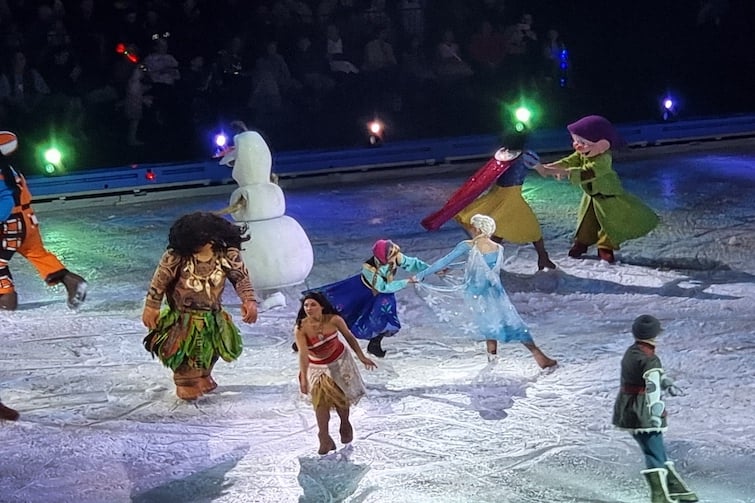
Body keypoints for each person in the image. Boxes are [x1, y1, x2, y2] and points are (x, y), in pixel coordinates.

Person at [412, 214, 557, 369]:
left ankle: (493, 360)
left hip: (477, 294)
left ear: (477, 228)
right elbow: (480, 265)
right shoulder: (498, 248)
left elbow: (444, 261)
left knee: (489, 324)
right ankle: (536, 355)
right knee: (511, 323)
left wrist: (420, 275)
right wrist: (452, 269)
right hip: (496, 294)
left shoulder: (468, 245)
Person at [142, 212, 258, 401]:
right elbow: (159, 281)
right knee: (187, 354)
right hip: (183, 318)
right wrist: (152, 306)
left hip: (212, 316)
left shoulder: (226, 254)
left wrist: (248, 300)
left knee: (210, 351)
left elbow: (241, 278)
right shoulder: (176, 256)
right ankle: (186, 382)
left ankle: (203, 376)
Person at [534, 115, 659, 263]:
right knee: (586, 222)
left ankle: (605, 248)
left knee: (609, 223)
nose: (577, 146)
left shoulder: (603, 159)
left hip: (608, 196)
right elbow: (569, 161)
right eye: (575, 141)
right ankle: (581, 243)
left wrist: (560, 172)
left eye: (582, 142)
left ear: (603, 144)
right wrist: (548, 167)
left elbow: (588, 172)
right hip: (591, 196)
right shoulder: (583, 154)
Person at [612, 315, 698, 503]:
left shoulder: (632, 352)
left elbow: (642, 376)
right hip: (643, 408)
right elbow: (651, 387)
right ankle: (659, 497)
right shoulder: (650, 359)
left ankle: (678, 489)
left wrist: (665, 380)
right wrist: (657, 413)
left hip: (628, 405)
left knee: (656, 450)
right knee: (654, 451)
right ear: (654, 335)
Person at [0, 131, 88, 311]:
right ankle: (72, 281)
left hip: (12, 223)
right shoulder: (8, 168)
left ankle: (6, 299)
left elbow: (7, 201)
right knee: (37, 253)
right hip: (26, 219)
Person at [301, 239, 429, 358]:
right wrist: (406, 282)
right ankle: (307, 337)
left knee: (384, 317)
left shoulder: (395, 257)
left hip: (381, 294)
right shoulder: (370, 269)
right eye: (392, 254)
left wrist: (430, 269)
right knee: (337, 309)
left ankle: (375, 344)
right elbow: (383, 287)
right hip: (362, 291)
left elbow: (411, 263)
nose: (397, 256)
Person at [455, 133, 556, 271]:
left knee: (499, 229)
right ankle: (542, 257)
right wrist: (566, 171)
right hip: (511, 197)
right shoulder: (526, 156)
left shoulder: (501, 153)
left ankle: (488, 261)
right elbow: (543, 171)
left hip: (497, 193)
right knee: (532, 228)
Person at [294, 292, 377, 455]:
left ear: (321, 306)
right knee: (320, 401)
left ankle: (345, 423)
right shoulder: (301, 328)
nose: (309, 308)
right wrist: (303, 378)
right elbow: (303, 355)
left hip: (339, 361)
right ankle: (323, 436)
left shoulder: (334, 320)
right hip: (316, 367)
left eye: (313, 305)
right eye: (306, 306)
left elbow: (349, 337)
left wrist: (361, 356)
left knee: (340, 397)